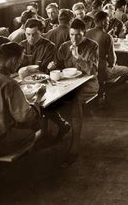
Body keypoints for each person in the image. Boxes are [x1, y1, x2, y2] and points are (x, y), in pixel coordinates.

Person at [50, 19, 99, 166]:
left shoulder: (92, 46)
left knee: (75, 100)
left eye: (78, 35)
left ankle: (75, 145)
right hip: (67, 83)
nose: (74, 38)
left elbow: (92, 71)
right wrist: (52, 65)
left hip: (89, 83)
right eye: (71, 35)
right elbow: (57, 62)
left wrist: (79, 58)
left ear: (84, 34)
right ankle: (61, 124)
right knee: (48, 98)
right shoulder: (65, 46)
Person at [86, 11, 128, 99]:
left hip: (88, 68)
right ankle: (106, 88)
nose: (108, 23)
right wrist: (112, 65)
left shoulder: (86, 33)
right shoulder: (107, 36)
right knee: (127, 70)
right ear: (103, 22)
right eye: (107, 22)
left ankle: (103, 84)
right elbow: (112, 60)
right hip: (101, 70)